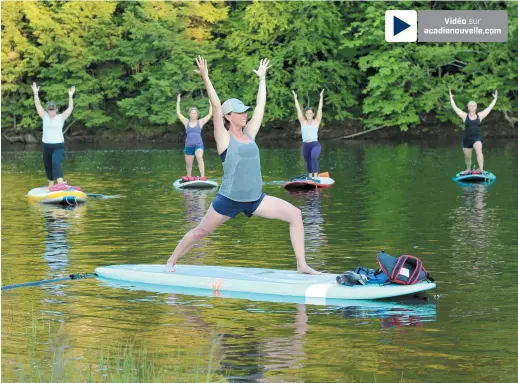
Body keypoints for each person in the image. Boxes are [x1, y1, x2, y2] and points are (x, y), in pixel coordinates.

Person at [166, 56, 320, 275]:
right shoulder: (224, 139)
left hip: (254, 199)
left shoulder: (250, 134)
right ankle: (171, 261)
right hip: (228, 200)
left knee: (295, 214)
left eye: (244, 111)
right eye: (239, 112)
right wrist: (205, 77)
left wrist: (263, 79)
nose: (244, 115)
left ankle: (302, 265)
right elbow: (217, 107)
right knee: (201, 231)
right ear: (229, 117)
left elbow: (261, 106)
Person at [32, 82, 79, 192]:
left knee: (55, 163)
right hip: (47, 146)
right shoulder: (45, 117)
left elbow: (70, 108)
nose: (51, 111)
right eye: (50, 109)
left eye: (53, 109)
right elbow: (37, 105)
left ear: (56, 110)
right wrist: (35, 93)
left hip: (58, 146)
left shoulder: (61, 117)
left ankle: (61, 184)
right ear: (48, 110)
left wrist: (70, 96)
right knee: (48, 165)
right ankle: (50, 185)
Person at [449, 88, 498, 174]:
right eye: (470, 106)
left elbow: (489, 108)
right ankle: (468, 168)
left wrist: (495, 99)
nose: (472, 107)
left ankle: (481, 169)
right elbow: (455, 108)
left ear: (476, 107)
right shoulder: (464, 116)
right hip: (466, 139)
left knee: (479, 150)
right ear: (468, 107)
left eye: (473, 105)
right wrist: (451, 98)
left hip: (476, 138)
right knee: (467, 157)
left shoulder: (480, 116)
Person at [176, 94, 212, 181]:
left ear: (197, 114)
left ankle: (202, 176)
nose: (193, 114)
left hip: (198, 144)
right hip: (188, 145)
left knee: (199, 157)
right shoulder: (186, 122)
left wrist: (210, 104)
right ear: (189, 114)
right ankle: (189, 176)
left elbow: (210, 114)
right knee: (189, 164)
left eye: (195, 113)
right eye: (192, 113)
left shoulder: (200, 122)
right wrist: (178, 102)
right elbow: (178, 113)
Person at [291, 89, 324, 179]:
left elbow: (320, 110)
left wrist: (321, 97)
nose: (309, 114)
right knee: (308, 161)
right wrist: (295, 98)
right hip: (306, 145)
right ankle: (310, 177)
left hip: (315, 145)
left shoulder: (316, 121)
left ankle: (315, 177)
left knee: (313, 157)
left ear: (313, 114)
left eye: (310, 113)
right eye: (307, 113)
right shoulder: (303, 122)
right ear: (305, 114)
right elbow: (298, 110)